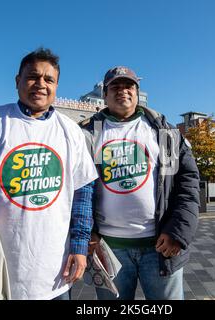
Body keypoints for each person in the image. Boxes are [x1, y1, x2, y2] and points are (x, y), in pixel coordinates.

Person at [0, 48, 98, 300]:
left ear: (56, 86)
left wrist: (79, 246)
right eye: (33, 76)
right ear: (17, 81)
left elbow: (83, 192)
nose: (40, 84)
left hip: (55, 278)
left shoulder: (71, 131)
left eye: (49, 79)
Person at [80, 66, 200, 300]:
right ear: (104, 94)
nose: (123, 91)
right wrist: (86, 232)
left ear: (137, 92)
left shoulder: (164, 131)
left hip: (159, 247)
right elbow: (77, 189)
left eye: (129, 86)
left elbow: (188, 184)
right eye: (115, 86)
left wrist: (178, 231)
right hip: (109, 249)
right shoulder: (88, 133)